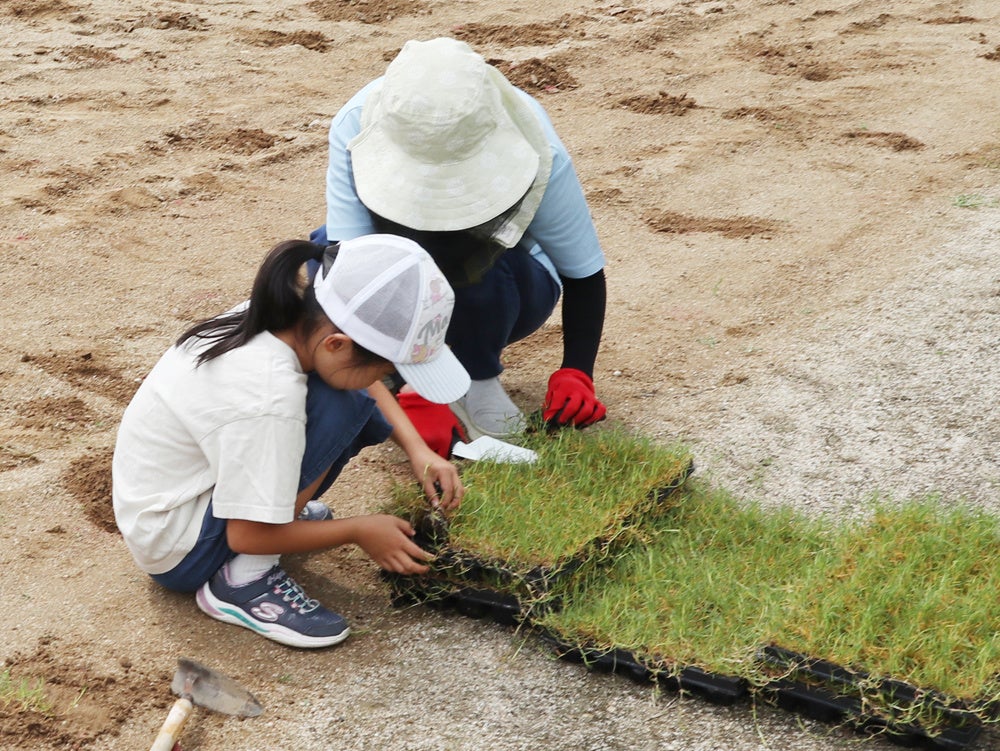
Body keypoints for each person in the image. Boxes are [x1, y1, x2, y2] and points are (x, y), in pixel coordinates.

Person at [112, 234, 470, 649]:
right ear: (338, 343)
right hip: (179, 548)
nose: (381, 382)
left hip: (175, 503)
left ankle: (276, 515)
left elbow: (358, 379)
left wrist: (417, 450)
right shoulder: (268, 397)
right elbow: (245, 538)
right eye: (383, 370)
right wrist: (357, 530)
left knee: (350, 399)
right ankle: (243, 581)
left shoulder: (286, 317)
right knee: (344, 407)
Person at [312, 37, 608, 456]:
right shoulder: (357, 123)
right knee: (322, 259)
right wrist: (410, 386)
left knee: (465, 254)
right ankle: (397, 372)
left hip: (512, 288)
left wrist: (577, 370)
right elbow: (355, 267)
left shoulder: (538, 145)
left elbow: (584, 272)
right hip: (403, 270)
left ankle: (476, 376)